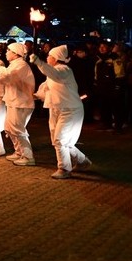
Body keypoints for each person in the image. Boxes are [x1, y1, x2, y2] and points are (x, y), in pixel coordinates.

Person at [31, 45, 92, 179]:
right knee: (59, 141)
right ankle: (82, 161)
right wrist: (36, 95)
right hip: (56, 109)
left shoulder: (64, 70)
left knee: (60, 140)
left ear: (56, 58)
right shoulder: (52, 73)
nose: (47, 57)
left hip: (70, 110)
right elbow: (46, 89)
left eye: (49, 56)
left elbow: (54, 74)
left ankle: (64, 168)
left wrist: (38, 62)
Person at [0, 42, 36, 166]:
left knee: (18, 129)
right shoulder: (14, 64)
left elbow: (5, 75)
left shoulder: (21, 65)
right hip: (14, 101)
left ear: (16, 54)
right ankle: (19, 152)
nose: (6, 53)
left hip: (22, 103)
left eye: (8, 51)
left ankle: (28, 156)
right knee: (10, 128)